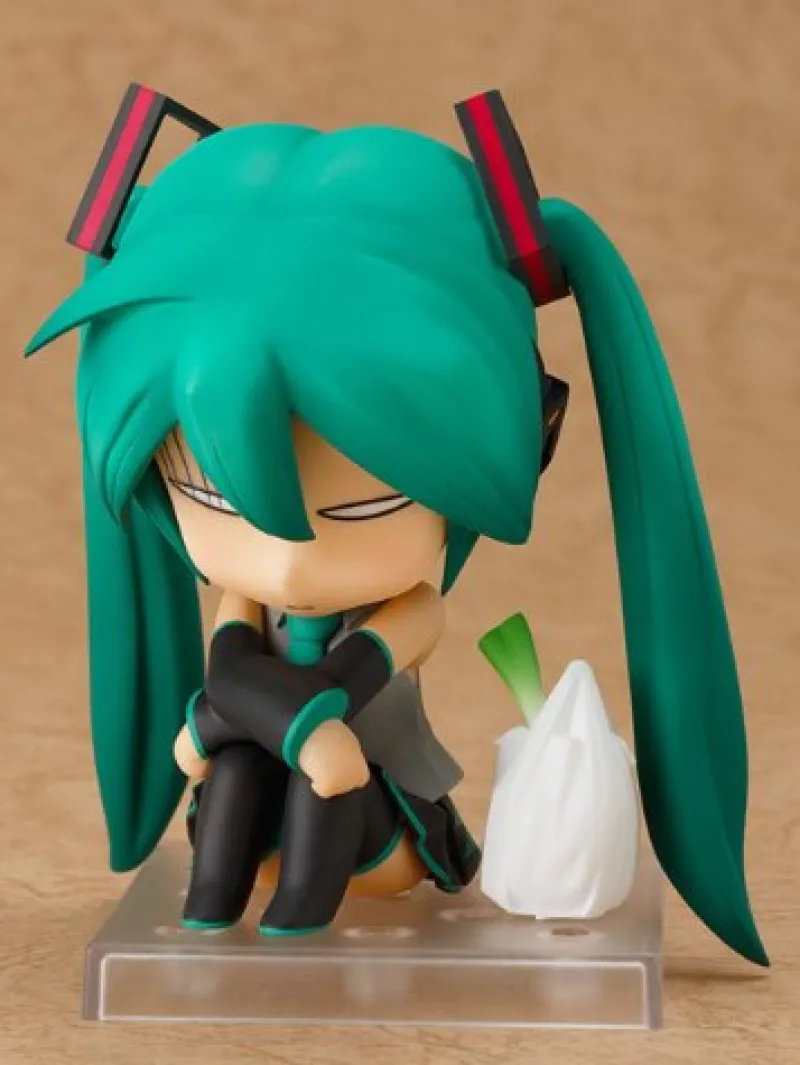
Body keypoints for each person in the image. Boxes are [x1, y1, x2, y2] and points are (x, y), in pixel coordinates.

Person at [25, 86, 767, 963]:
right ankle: (210, 907)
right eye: (216, 499)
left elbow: (352, 676)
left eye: (363, 507)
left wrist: (258, 726)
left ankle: (299, 924)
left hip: (374, 821)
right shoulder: (248, 602)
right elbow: (232, 661)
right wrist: (273, 727)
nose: (287, 564)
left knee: (325, 779)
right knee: (239, 772)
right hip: (263, 788)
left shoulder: (402, 611)